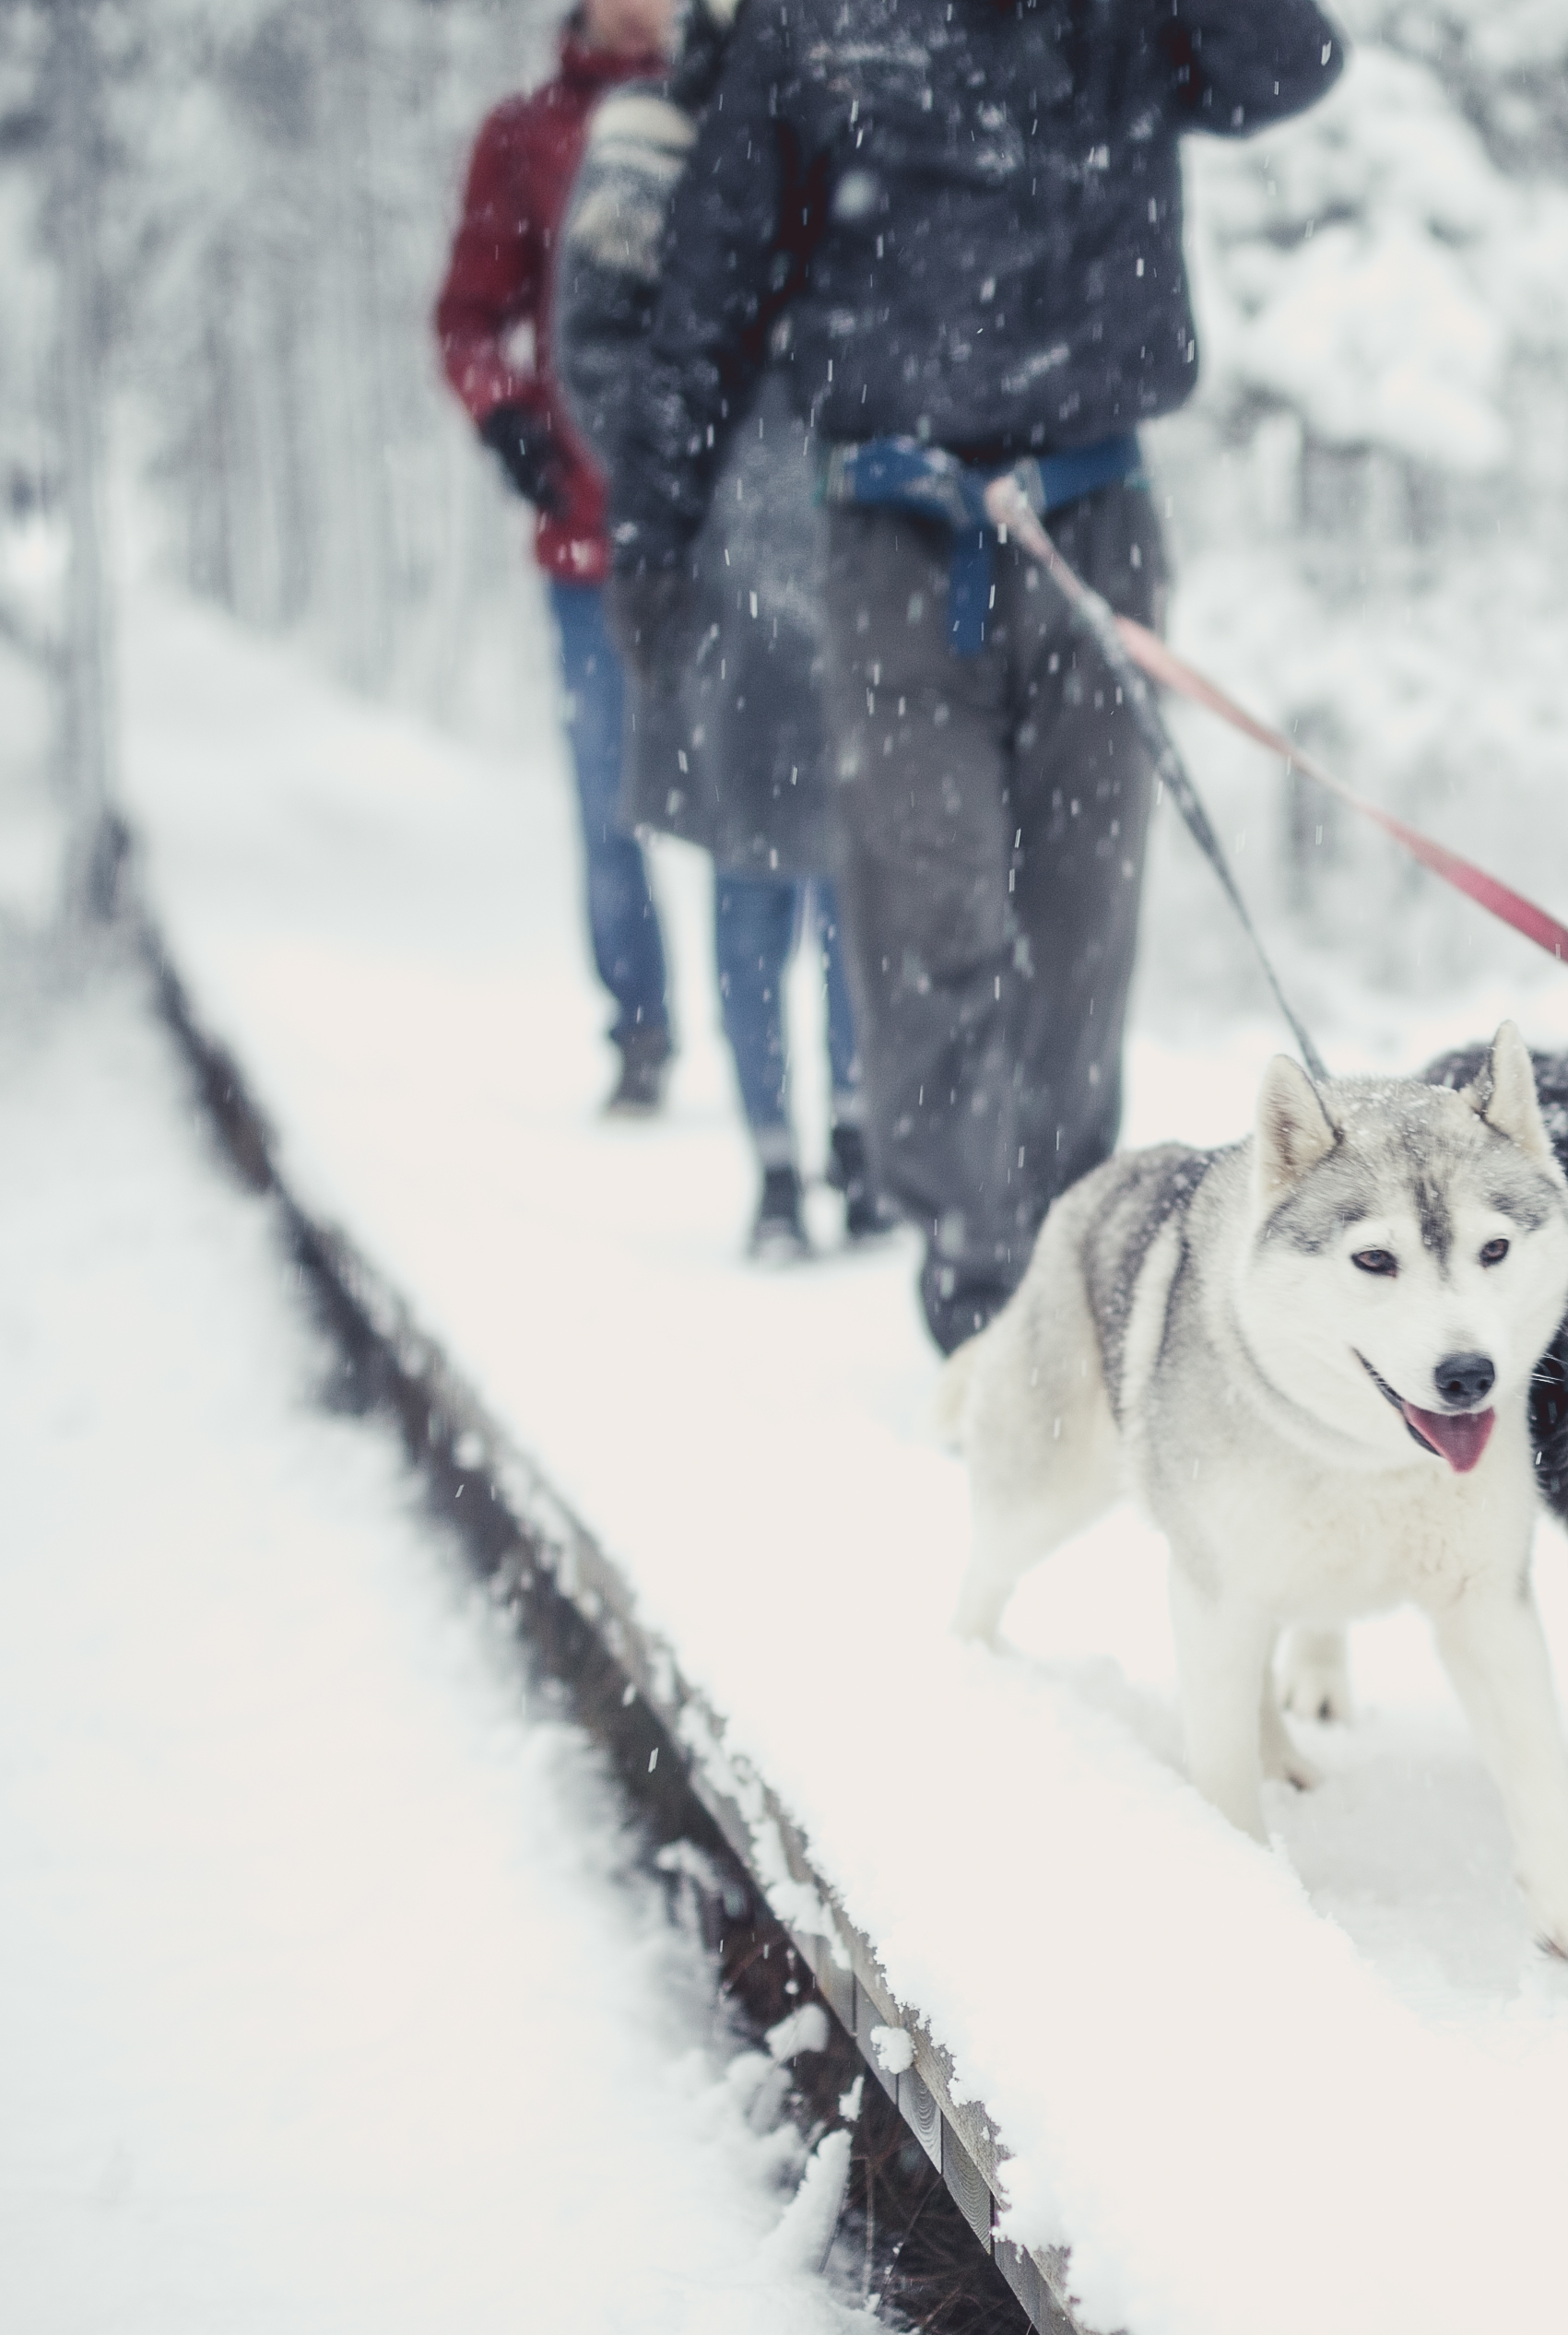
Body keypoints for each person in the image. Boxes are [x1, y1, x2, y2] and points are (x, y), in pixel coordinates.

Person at [587, 0, 1344, 1348]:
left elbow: (1287, 64)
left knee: (1079, 927)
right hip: (894, 537)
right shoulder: (811, 28)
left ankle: (1064, 1256)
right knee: (929, 910)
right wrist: (653, 535)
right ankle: (977, 1259)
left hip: (1093, 518)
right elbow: (709, 293)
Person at [556, 3, 878, 1262]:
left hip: (860, 539)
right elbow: (596, 345)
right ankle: (776, 1167)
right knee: (753, 865)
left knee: (862, 856)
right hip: (717, 560)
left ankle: (860, 1128)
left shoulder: (863, 96)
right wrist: (709, 468)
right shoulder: (652, 127)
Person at [435, 0, 676, 1114]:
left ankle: (788, 1069)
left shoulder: (731, 101)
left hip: (724, 537)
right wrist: (508, 421)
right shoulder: (524, 135)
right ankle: (638, 1025)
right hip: (587, 534)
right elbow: (470, 318)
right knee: (608, 797)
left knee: (763, 793)